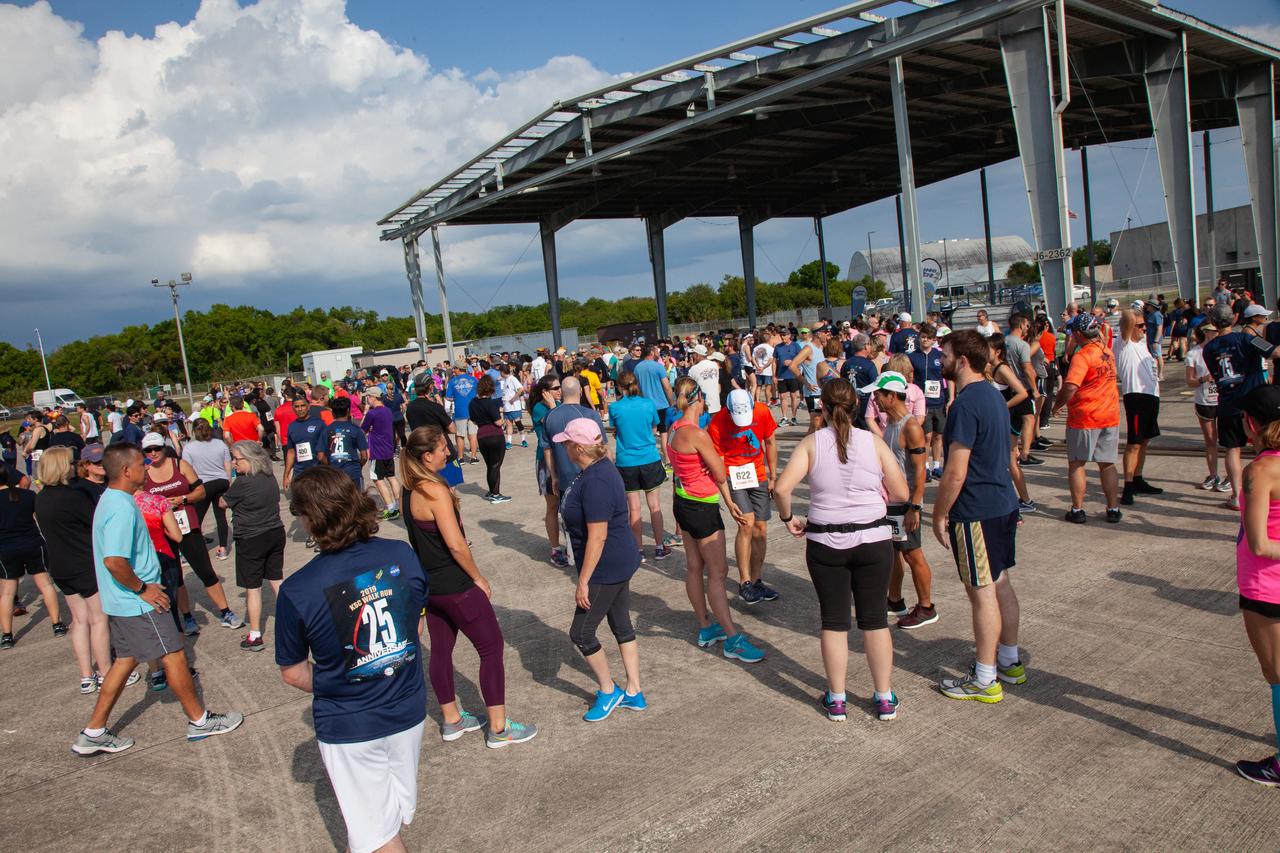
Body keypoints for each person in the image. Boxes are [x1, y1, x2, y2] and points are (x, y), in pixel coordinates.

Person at [276, 466, 427, 851]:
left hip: (349, 726)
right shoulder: (400, 553)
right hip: (408, 711)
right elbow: (416, 626)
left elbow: (293, 673)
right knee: (389, 819)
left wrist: (340, 679)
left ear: (308, 520)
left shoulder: (297, 590)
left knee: (376, 836)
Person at [72, 443, 243, 756]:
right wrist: (143, 589)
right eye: (140, 464)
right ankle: (199, 720)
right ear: (126, 471)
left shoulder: (111, 500)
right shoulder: (123, 507)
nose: (146, 469)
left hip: (122, 603)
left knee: (124, 662)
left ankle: (93, 731)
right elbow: (114, 561)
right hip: (140, 602)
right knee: (174, 653)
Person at [773, 379, 908, 721]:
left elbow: (781, 488)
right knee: (875, 621)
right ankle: (884, 697)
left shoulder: (811, 444)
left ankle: (836, 699)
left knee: (834, 622)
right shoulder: (873, 443)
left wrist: (789, 518)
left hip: (825, 541)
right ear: (857, 407)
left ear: (822, 408)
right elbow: (902, 493)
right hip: (873, 540)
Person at [401, 426, 536, 747]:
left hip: (429, 586)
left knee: (441, 651)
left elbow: (428, 539)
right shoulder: (435, 491)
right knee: (491, 648)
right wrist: (478, 577)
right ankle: (499, 728)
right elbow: (457, 546)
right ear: (427, 456)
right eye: (442, 448)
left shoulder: (409, 490)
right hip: (456, 585)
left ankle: (452, 720)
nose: (448, 452)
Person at [931, 330, 1024, 703]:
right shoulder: (992, 395)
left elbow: (955, 471)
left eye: (946, 355)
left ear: (963, 361)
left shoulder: (966, 403)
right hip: (1002, 502)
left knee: (981, 593)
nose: (942, 362)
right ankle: (1009, 661)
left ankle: (985, 679)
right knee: (999, 583)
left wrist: (939, 514)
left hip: (977, 511)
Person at [553, 418, 646, 721]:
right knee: (621, 624)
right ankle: (634, 691)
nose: (564, 446)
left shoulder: (595, 481)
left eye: (567, 442)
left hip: (606, 566)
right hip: (619, 560)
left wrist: (583, 582)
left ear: (579, 447)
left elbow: (598, 535)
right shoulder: (600, 467)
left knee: (581, 632)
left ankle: (610, 691)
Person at [666, 377, 764, 663]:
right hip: (702, 507)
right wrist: (728, 497)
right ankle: (733, 638)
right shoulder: (697, 433)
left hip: (683, 501)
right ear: (699, 399)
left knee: (694, 567)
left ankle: (706, 626)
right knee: (718, 573)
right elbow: (720, 472)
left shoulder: (675, 428)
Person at [35, 448, 125, 692]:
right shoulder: (72, 497)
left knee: (79, 620)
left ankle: (87, 675)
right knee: (98, 619)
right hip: (84, 563)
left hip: (60, 566)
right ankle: (107, 672)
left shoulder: (41, 498)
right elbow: (97, 523)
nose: (75, 465)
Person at [143, 432, 241, 631]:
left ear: (164, 447)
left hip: (187, 525)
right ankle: (187, 617)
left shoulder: (180, 465)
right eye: (148, 450)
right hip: (162, 532)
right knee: (175, 576)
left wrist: (182, 499)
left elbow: (201, 492)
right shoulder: (144, 473)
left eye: (157, 448)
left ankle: (225, 612)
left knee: (205, 570)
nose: (153, 453)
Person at [1233, 385, 1280, 786]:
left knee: (1278, 673)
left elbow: (1260, 544)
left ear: (1254, 423)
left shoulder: (1259, 471)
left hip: (1266, 588)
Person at [864, 374, 937, 629]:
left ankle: (926, 607)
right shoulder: (891, 425)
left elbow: (920, 472)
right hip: (892, 501)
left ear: (891, 396)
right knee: (894, 552)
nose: (874, 399)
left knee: (913, 555)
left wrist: (915, 508)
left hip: (906, 503)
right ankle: (894, 600)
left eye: (878, 395)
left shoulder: (910, 427)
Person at [708, 388, 779, 605]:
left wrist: (773, 475)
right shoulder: (718, 421)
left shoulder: (761, 412)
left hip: (757, 474)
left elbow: (770, 442)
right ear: (727, 410)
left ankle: (757, 580)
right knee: (746, 524)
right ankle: (745, 582)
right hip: (732, 474)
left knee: (761, 528)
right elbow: (718, 461)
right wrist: (728, 500)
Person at [1205, 303, 1278, 510]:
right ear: (1234, 318)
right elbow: (1273, 352)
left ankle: (1237, 495)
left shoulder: (1209, 348)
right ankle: (1266, 488)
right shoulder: (1247, 338)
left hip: (1228, 402)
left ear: (1213, 322)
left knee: (1232, 449)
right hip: (1253, 402)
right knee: (1265, 445)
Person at [1052, 314, 1122, 524]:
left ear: (1080, 334)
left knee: (1076, 464)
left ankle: (1077, 509)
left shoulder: (1082, 357)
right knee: (1107, 464)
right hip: (1109, 415)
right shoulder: (1106, 351)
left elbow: (1071, 386)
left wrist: (1057, 405)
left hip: (1085, 417)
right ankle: (1113, 508)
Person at [220, 441, 285, 653]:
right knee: (276, 580)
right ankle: (297, 618)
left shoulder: (242, 483)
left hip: (251, 538)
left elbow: (222, 503)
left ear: (250, 459)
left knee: (253, 588)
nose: (233, 463)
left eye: (237, 459)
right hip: (275, 532)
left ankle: (255, 634)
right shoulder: (269, 477)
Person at [0, 461, 64, 648]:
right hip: (33, 544)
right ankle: (57, 624)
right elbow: (41, 519)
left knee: (7, 592)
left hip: (6, 549)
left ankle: (6, 635)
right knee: (45, 584)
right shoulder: (28, 496)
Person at [610, 371, 670, 560]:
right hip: (649, 458)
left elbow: (616, 430)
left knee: (633, 508)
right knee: (655, 506)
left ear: (619, 387)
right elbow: (654, 428)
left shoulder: (615, 408)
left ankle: (639, 550)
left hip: (627, 461)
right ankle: (660, 546)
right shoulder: (648, 404)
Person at [1116, 308, 1164, 506]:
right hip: (1135, 396)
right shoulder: (1123, 342)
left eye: (1146, 325)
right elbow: (1127, 318)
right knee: (1134, 443)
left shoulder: (1143, 343)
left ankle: (1138, 478)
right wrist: (1136, 311)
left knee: (1144, 441)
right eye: (1141, 325)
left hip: (1151, 395)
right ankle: (1128, 485)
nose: (1145, 329)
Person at [542, 376, 607, 500]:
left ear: (562, 391)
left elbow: (547, 450)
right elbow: (602, 448)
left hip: (564, 479)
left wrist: (554, 476)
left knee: (569, 516)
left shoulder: (550, 415)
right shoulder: (591, 414)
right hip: (590, 477)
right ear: (581, 391)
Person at [530, 374, 569, 568]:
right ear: (545, 392)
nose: (559, 391)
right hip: (547, 461)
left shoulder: (560, 405)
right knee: (553, 506)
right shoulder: (539, 408)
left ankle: (571, 544)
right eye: (555, 388)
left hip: (565, 458)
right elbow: (556, 425)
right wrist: (554, 406)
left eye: (560, 387)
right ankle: (555, 549)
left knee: (569, 504)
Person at [182, 419, 233, 561]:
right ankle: (223, 549)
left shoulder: (189, 448)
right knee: (220, 516)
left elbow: (188, 470)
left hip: (203, 485)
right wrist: (228, 481)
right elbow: (227, 464)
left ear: (193, 431)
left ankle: (194, 551)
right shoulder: (220, 444)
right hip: (221, 482)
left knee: (196, 518)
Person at [1186, 324, 1227, 491]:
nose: (1216, 333)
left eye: (1217, 330)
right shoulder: (1194, 353)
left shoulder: (1224, 348)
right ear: (1205, 332)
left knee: (1229, 442)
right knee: (1210, 440)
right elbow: (1190, 381)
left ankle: (1230, 476)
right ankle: (1213, 475)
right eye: (1212, 330)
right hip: (1205, 401)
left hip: (1224, 400)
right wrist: (1204, 379)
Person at [908, 324, 950, 480]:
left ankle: (937, 465)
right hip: (922, 402)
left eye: (928, 338)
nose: (924, 340)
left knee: (939, 435)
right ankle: (925, 466)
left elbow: (947, 377)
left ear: (934, 340)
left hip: (938, 400)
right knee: (926, 436)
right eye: (922, 337)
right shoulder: (912, 356)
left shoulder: (939, 355)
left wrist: (949, 397)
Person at [468, 375, 510, 504]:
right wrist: (504, 421)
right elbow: (498, 422)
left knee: (490, 466)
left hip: (481, 435)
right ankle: (496, 494)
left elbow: (474, 420)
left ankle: (492, 491)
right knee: (496, 466)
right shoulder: (490, 403)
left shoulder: (472, 403)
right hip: (495, 435)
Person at [318, 396, 369, 489]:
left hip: (335, 473)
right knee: (355, 500)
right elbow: (364, 456)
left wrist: (330, 466)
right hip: (353, 471)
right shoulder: (356, 429)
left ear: (332, 413)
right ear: (348, 411)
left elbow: (320, 456)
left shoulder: (326, 430)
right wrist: (358, 465)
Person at [445, 366, 480, 464]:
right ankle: (473, 457)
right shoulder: (474, 379)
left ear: (458, 369)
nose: (453, 370)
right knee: (473, 434)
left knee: (460, 435)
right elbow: (479, 394)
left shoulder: (453, 381)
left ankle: (460, 458)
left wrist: (456, 399)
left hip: (460, 410)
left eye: (454, 368)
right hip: (473, 411)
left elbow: (448, 397)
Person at [773, 329, 802, 426]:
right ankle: (784, 417)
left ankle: (794, 417)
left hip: (793, 374)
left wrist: (792, 362)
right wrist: (774, 375)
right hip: (781, 375)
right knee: (782, 396)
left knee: (794, 396)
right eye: (781, 335)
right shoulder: (778, 347)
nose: (782, 337)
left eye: (784, 335)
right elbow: (774, 362)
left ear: (789, 335)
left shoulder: (795, 345)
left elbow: (802, 358)